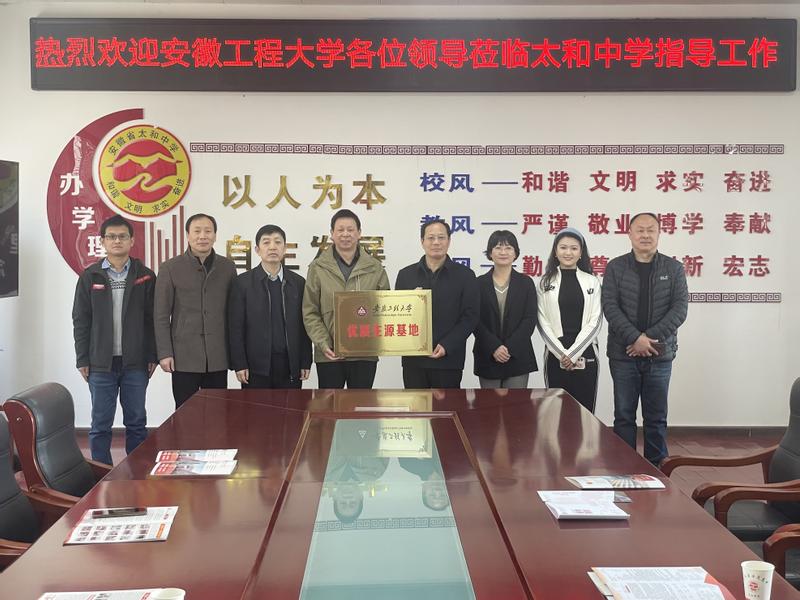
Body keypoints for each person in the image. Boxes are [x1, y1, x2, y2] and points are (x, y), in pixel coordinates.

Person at [601, 212, 688, 466]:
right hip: (623, 354)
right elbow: (610, 307)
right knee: (624, 416)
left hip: (660, 354)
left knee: (656, 417)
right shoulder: (616, 267)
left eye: (651, 230)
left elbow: (680, 309)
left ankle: (657, 469)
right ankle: (623, 468)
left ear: (659, 233)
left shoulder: (673, 269)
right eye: (640, 230)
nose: (645, 235)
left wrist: (647, 339)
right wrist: (634, 338)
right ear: (629, 234)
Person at [72, 215, 156, 465]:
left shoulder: (145, 276)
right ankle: (102, 473)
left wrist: (152, 355)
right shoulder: (90, 276)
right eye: (111, 237)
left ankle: (136, 472)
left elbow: (153, 319)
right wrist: (82, 358)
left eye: (122, 236)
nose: (117, 241)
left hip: (135, 362)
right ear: (103, 241)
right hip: (100, 363)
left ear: (132, 241)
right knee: (100, 424)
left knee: (137, 422)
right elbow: (81, 320)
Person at [155, 213, 237, 408]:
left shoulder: (227, 267)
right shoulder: (170, 268)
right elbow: (160, 315)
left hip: (217, 355)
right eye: (197, 231)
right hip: (183, 355)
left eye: (208, 231)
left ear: (215, 235)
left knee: (218, 412)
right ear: (187, 235)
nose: (202, 236)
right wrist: (165, 353)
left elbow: (234, 313)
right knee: (185, 414)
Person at [302, 209, 390, 388]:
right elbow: (310, 311)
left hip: (364, 353)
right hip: (329, 354)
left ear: (359, 233)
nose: (345, 234)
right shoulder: (318, 268)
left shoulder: (375, 268)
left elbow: (385, 308)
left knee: (361, 403)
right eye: (340, 230)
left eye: (350, 229)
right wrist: (324, 344)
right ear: (332, 234)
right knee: (329, 404)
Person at [395, 219, 479, 389]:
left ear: (449, 241)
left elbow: (470, 317)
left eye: (441, 237)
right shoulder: (406, 275)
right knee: (415, 405)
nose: (436, 242)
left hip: (449, 359)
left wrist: (447, 345)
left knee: (446, 405)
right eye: (431, 237)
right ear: (422, 241)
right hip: (414, 360)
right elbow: (397, 315)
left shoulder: (465, 275)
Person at [228, 224, 312, 389]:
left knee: (291, 406)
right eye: (266, 242)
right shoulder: (242, 283)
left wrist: (305, 360)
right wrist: (239, 363)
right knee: (256, 407)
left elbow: (304, 325)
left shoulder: (298, 283)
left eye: (277, 242)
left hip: (290, 365)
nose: (272, 247)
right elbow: (235, 327)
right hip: (255, 367)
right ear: (257, 250)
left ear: (285, 248)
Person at [537, 228, 603, 413]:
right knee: (555, 413)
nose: (568, 252)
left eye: (574, 248)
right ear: (555, 251)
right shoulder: (545, 282)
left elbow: (595, 321)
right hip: (555, 354)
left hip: (586, 352)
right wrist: (562, 354)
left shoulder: (592, 282)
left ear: (581, 253)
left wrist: (573, 354)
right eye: (563, 247)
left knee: (585, 412)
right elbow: (542, 321)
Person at [473, 230, 538, 389]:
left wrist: (510, 348)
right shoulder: (478, 283)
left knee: (516, 404)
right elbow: (474, 319)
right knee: (489, 404)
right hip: (488, 355)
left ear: (515, 253)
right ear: (490, 253)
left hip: (518, 355)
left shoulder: (526, 283)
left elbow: (529, 319)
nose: (503, 252)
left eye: (508, 248)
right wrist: (494, 347)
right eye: (498, 248)